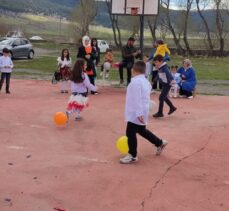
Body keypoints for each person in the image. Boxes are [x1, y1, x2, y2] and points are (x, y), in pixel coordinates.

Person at [120, 61, 168, 164]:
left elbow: (137, 99)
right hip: (142, 110)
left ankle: (132, 155)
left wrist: (138, 113)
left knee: (130, 132)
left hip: (136, 112)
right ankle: (159, 143)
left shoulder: (135, 82)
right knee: (142, 130)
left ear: (134, 71)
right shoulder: (145, 81)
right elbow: (144, 96)